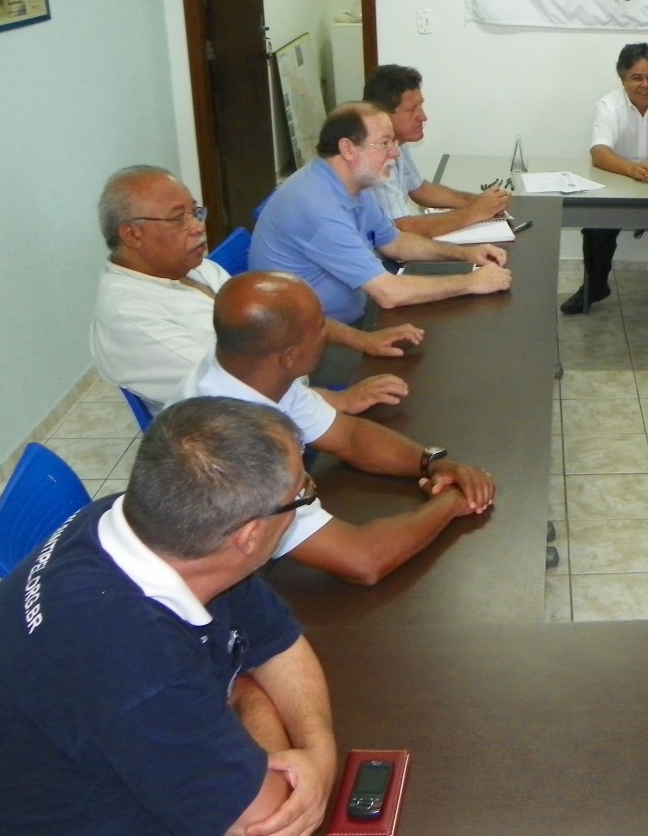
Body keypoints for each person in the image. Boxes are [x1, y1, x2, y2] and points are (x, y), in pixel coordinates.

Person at [0, 397, 336, 836]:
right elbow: (267, 822)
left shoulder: (149, 528)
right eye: (303, 493)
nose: (306, 499)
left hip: (115, 807)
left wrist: (318, 753)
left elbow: (277, 642)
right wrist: (251, 702)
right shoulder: (128, 661)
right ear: (250, 535)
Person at [167, 271, 496, 585]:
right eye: (319, 326)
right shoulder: (232, 446)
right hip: (223, 596)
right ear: (290, 355)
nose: (326, 332)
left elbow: (348, 436)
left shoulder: (249, 367)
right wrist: (451, 502)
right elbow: (362, 560)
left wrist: (433, 463)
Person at [90, 165, 421, 413]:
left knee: (409, 373)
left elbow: (284, 316)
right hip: (241, 433)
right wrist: (340, 401)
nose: (197, 227)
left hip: (291, 379)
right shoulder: (129, 314)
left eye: (195, 212)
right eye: (179, 218)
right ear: (132, 235)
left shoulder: (188, 266)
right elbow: (235, 392)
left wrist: (364, 339)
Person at [250, 102, 511, 327]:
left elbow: (396, 243)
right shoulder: (318, 206)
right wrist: (471, 282)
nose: (395, 153)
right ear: (348, 149)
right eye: (385, 143)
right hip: (313, 341)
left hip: (354, 314)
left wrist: (465, 254)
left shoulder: (353, 185)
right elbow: (389, 293)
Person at [560, 43, 648, 315]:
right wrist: (631, 169)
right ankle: (595, 287)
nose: (646, 85)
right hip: (618, 185)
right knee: (596, 228)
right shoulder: (609, 104)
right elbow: (599, 153)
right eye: (637, 78)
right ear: (622, 78)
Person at [361, 64, 512, 236]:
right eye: (411, 110)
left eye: (421, 106)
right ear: (382, 114)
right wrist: (475, 212)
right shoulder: (371, 159)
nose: (423, 117)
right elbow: (401, 229)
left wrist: (477, 202)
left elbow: (421, 189)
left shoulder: (396, 142)